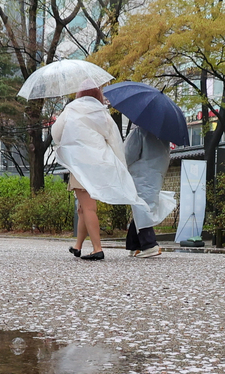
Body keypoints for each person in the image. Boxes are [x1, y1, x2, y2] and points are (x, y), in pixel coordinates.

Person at [50, 85, 145, 261]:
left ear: (79, 95)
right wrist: (119, 166)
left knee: (88, 207)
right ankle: (78, 246)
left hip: (79, 164)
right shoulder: (103, 114)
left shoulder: (71, 110)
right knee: (82, 208)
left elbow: (56, 133)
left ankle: (97, 248)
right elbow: (115, 141)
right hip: (98, 165)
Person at [123, 125, 174, 258]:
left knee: (142, 207)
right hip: (156, 174)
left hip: (140, 174)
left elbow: (127, 155)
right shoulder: (164, 136)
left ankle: (149, 244)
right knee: (143, 206)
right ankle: (134, 246)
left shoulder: (139, 132)